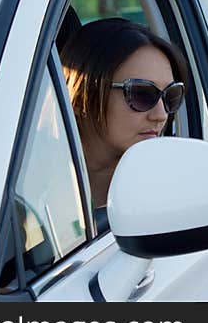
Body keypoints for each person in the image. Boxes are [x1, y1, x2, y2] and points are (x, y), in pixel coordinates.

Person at [60, 17, 188, 215]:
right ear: (80, 97)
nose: (161, 115)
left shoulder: (170, 192)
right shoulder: (20, 185)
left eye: (171, 95)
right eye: (142, 94)